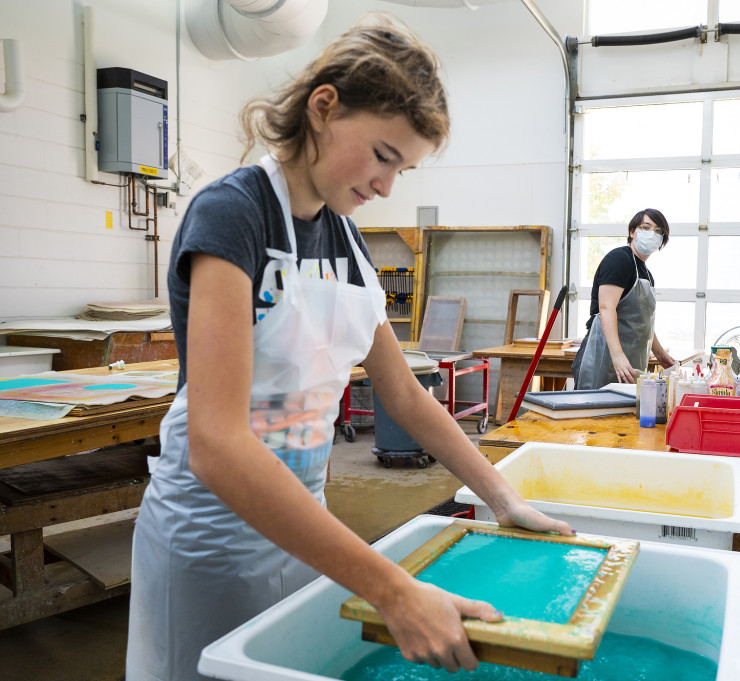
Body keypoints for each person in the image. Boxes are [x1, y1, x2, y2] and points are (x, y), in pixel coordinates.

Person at [126, 15, 571, 681]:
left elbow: (405, 397)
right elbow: (216, 444)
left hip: (308, 531)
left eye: (405, 168)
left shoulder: (349, 244)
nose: (389, 186)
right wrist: (391, 589)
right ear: (324, 106)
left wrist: (498, 495)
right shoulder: (232, 214)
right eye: (384, 156)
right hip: (210, 542)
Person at [572, 208, 676, 389]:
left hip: (630, 363)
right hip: (603, 357)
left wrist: (659, 354)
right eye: (646, 227)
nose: (652, 234)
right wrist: (617, 356)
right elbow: (606, 307)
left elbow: (644, 322)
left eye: (659, 231)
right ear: (632, 232)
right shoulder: (619, 260)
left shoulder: (647, 274)